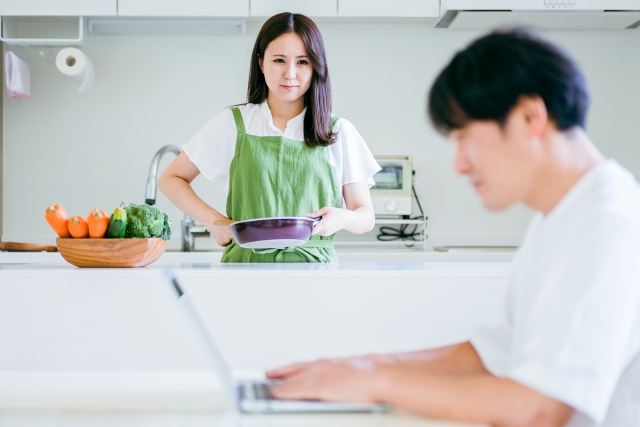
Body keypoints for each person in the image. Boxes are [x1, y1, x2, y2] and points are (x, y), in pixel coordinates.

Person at [266, 29, 640, 427]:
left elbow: (539, 409)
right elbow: (490, 354)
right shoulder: (565, 216)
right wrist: (359, 366)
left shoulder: (607, 222)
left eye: (464, 138)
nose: (459, 165)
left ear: (530, 117)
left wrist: (373, 383)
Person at [159, 12, 380, 263]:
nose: (290, 73)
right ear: (261, 62)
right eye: (279, 60)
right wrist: (214, 221)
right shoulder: (233, 123)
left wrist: (344, 218)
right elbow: (170, 178)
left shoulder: (337, 130)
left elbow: (365, 216)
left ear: (316, 66)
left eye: (303, 62)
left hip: (315, 274)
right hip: (245, 271)